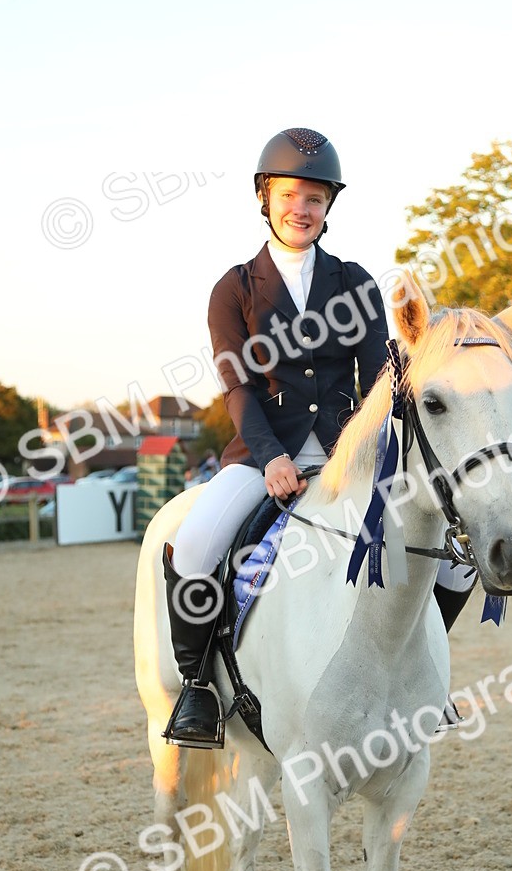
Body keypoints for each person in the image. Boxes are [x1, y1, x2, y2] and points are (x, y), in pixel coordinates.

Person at [162, 128, 393, 748]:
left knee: (444, 550)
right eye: (291, 195)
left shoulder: (356, 282)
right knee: (197, 544)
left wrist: (368, 452)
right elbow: (238, 388)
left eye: (315, 199)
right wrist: (272, 459)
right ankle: (197, 688)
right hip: (264, 455)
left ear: (328, 208)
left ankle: (417, 681)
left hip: (352, 454)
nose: (302, 209)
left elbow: (379, 379)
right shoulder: (233, 288)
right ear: (265, 197)